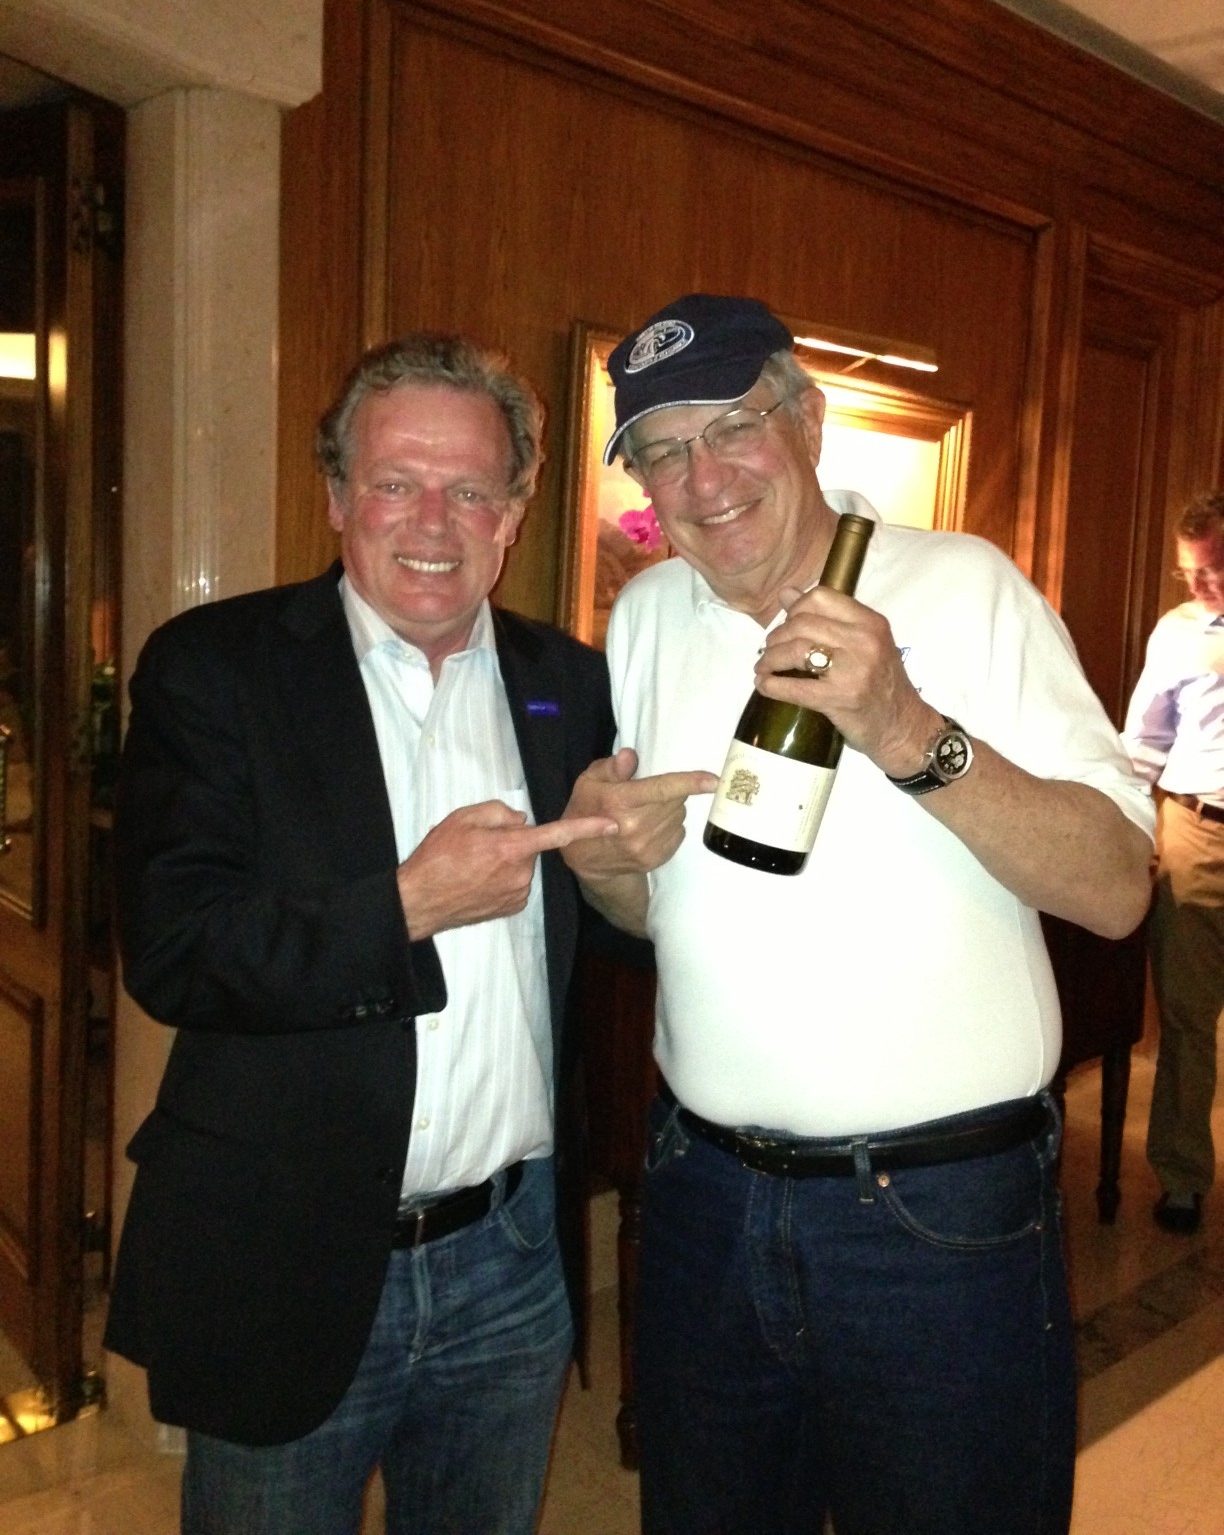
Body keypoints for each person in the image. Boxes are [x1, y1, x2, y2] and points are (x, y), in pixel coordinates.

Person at [559, 294, 1155, 1535]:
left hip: (935, 1218)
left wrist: (907, 729)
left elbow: (1114, 889)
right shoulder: (648, 615)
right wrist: (607, 866)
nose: (703, 478)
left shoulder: (966, 587)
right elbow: (661, 911)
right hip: (702, 1198)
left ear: (808, 420)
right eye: (662, 451)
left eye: (733, 426)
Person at [104, 334, 623, 1535]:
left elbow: (601, 940)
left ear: (513, 514)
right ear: (338, 497)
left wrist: (636, 873)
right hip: (283, 1251)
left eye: (471, 490)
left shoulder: (567, 684)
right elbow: (176, 950)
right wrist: (408, 906)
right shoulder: (215, 669)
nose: (433, 520)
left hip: (510, 1259)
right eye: (396, 482)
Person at [1122, 491, 1224, 1237]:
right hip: (1195, 830)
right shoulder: (1178, 632)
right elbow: (1144, 742)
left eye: (1214, 570)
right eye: (1188, 571)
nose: (1199, 585)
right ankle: (1183, 1177)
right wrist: (1128, 828)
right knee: (1187, 1017)